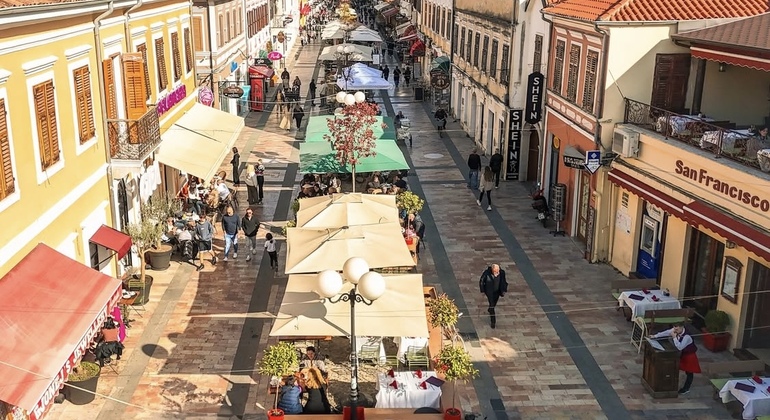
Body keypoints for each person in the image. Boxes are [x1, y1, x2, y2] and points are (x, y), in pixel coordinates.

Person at [650, 324, 700, 394]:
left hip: (689, 356)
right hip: (682, 355)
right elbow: (666, 332)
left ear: (682, 327)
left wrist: (674, 337)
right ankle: (670, 383)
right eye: (674, 328)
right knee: (675, 368)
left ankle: (686, 388)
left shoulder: (687, 337)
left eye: (677, 329)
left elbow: (680, 347)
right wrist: (655, 336)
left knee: (689, 372)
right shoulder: (676, 330)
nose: (675, 330)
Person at [479, 264, 508, 328]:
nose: (497, 273)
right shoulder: (487, 273)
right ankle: (493, 321)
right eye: (496, 272)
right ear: (492, 270)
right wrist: (482, 290)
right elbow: (481, 281)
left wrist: (504, 290)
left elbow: (504, 281)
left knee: (493, 304)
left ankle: (490, 309)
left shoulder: (502, 273)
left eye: (498, 271)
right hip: (489, 292)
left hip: (497, 291)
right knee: (492, 305)